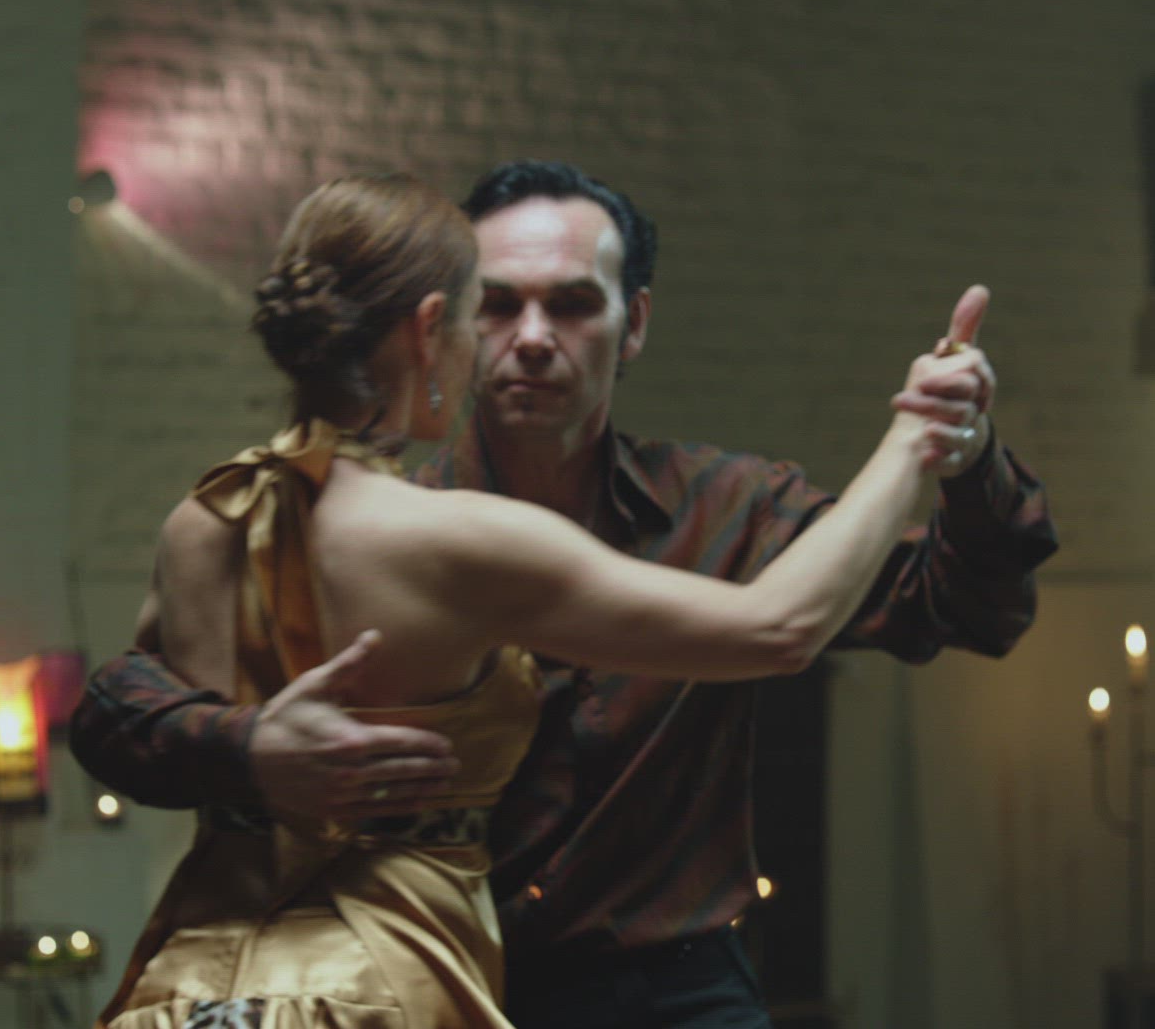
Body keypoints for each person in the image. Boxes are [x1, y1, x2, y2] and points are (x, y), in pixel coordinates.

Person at [76, 161, 1059, 1029]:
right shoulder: (402, 523)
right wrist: (247, 747)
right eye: (498, 305)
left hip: (679, 991)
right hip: (463, 981)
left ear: (633, 324)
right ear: (446, 325)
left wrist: (966, 457)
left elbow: (969, 607)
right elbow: (116, 707)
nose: (533, 338)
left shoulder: (731, 508)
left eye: (574, 305)